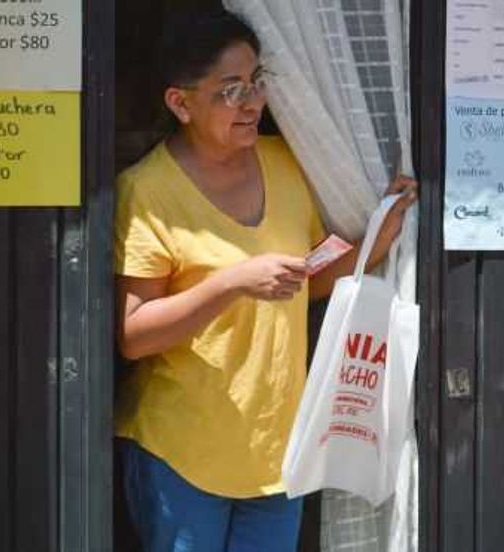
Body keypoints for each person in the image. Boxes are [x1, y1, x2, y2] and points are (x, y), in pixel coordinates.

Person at [113, 10, 416, 552]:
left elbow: (303, 286)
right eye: (230, 91)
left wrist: (379, 241)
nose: (252, 102)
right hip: (184, 455)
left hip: (278, 453)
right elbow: (134, 334)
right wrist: (229, 284)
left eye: (256, 83)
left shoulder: (285, 163)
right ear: (180, 104)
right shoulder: (148, 189)